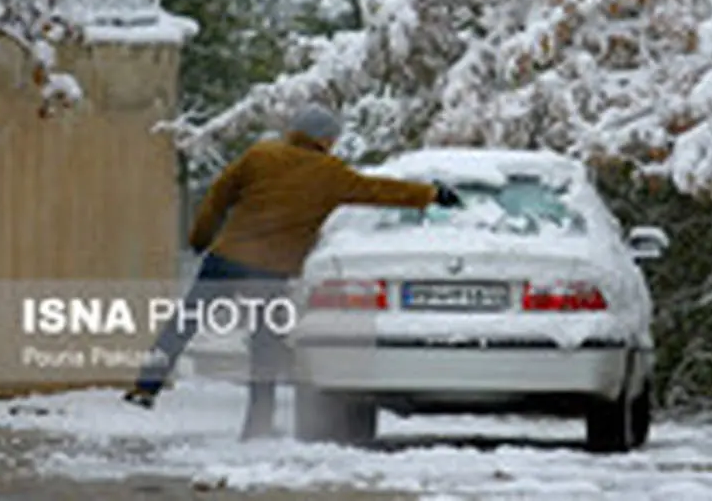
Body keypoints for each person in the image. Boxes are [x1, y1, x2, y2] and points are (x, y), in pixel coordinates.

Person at [122, 103, 462, 439]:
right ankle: (257, 425)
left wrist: (201, 237)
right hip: (269, 271)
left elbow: (219, 195)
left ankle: (145, 386)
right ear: (323, 138)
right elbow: (380, 190)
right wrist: (432, 194)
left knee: (184, 322)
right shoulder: (331, 174)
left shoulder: (260, 155)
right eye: (332, 137)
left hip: (226, 257)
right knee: (264, 346)